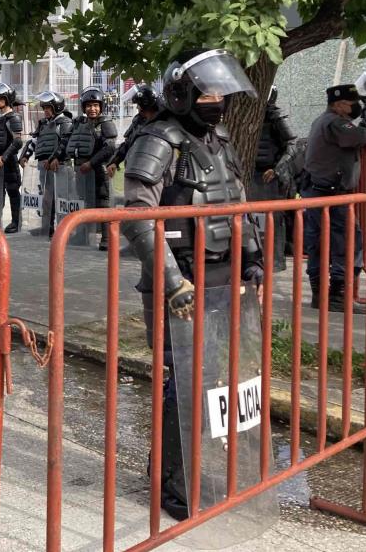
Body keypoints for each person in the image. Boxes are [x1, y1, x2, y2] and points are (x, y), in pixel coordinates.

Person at [121, 48, 263, 521]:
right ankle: (173, 484)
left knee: (211, 380)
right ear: (182, 93)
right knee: (184, 383)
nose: (217, 100)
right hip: (179, 283)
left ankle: (174, 467)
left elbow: (237, 201)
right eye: (207, 91)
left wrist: (252, 259)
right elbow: (139, 214)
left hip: (222, 278)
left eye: (222, 91)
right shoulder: (160, 138)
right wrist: (170, 281)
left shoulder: (219, 139)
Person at [303, 83, 366, 312]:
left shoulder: (323, 120)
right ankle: (337, 298)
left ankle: (319, 296)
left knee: (319, 243)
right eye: (351, 103)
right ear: (338, 105)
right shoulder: (335, 123)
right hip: (333, 193)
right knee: (347, 243)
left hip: (320, 190)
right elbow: (358, 137)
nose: (355, 107)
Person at [66, 86, 118, 249]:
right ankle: (83, 234)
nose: (92, 109)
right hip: (81, 170)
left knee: (103, 202)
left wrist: (91, 163)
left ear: (101, 106)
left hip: (98, 170)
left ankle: (106, 238)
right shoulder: (80, 123)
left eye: (95, 105)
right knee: (83, 201)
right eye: (89, 105)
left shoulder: (106, 124)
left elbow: (109, 148)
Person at [250, 85, 296, 270]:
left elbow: (292, 144)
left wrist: (278, 169)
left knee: (272, 221)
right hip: (251, 174)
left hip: (269, 177)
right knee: (253, 221)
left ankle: (273, 262)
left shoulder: (275, 116)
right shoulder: (246, 114)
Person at [20, 91, 72, 236]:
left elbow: (65, 142)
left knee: (60, 199)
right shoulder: (44, 124)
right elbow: (34, 141)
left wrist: (55, 158)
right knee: (46, 199)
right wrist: (25, 155)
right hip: (44, 168)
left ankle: (62, 230)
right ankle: (47, 227)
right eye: (44, 108)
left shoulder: (65, 122)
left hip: (60, 167)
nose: (46, 111)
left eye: (48, 108)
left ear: (57, 107)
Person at [0, 83, 24, 232]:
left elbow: (18, 141)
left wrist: (4, 157)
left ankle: (16, 222)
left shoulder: (13, 117)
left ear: (8, 99)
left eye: (1, 98)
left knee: (13, 190)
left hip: (8, 160)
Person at [109, 84, 161, 174]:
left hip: (153, 173)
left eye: (138, 105)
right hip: (134, 170)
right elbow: (128, 143)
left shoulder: (161, 124)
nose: (137, 107)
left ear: (145, 105)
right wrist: (114, 161)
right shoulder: (138, 121)